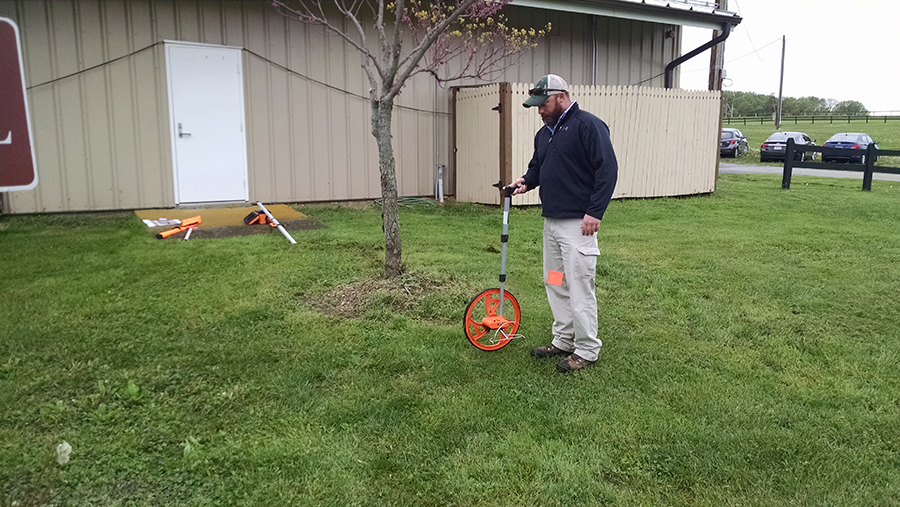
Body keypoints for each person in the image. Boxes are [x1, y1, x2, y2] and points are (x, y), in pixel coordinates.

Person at [508, 74, 618, 373]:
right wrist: (525, 183)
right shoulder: (544, 134)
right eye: (537, 106)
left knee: (579, 285)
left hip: (578, 224)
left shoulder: (588, 126)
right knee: (555, 281)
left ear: (561, 97)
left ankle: (586, 349)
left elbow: (607, 170)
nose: (540, 110)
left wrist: (595, 212)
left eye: (543, 104)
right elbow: (538, 168)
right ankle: (563, 339)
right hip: (552, 223)